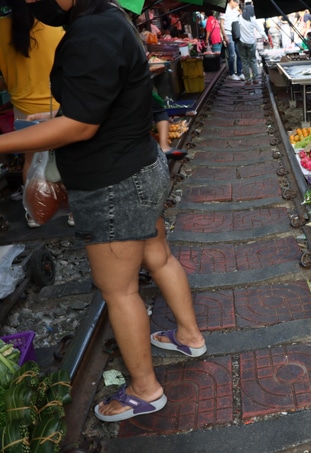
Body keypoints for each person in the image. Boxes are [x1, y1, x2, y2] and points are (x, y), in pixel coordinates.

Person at [0, 0, 206, 421]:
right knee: (158, 256)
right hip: (140, 165)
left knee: (119, 291)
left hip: (112, 184)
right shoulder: (110, 18)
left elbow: (81, 124)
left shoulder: (89, 32)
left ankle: (145, 390)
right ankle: (189, 336)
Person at [0, 0, 67, 228]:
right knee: (67, 157)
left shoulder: (1, 28)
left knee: (31, 159)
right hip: (57, 103)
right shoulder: (57, 25)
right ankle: (73, 211)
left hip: (23, 103)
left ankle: (34, 212)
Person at [238, 2, 265, 85]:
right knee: (253, 60)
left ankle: (247, 80)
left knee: (244, 61)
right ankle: (255, 79)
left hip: (242, 42)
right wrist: (266, 37)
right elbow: (260, 30)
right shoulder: (253, 19)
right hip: (251, 42)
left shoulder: (239, 18)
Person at [220, 0, 244, 81]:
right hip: (228, 33)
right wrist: (224, 36)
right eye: (236, 2)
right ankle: (232, 73)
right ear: (231, 1)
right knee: (232, 54)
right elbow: (221, 24)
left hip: (235, 34)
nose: (237, 4)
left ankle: (240, 72)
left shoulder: (234, 10)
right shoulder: (224, 9)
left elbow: (240, 18)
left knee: (239, 53)